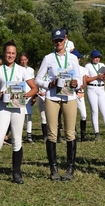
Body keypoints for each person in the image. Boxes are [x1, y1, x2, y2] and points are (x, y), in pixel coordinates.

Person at [0, 40, 38, 185]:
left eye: (13, 53)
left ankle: (16, 173)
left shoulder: (22, 70)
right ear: (4, 53)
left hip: (18, 109)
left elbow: (34, 88)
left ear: (16, 54)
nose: (10, 55)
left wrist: (26, 96)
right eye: (8, 53)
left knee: (17, 141)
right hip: (3, 109)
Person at [35, 28, 82, 181]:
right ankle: (53, 169)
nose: (58, 43)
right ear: (53, 42)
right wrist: (50, 83)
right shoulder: (48, 58)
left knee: (70, 133)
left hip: (70, 97)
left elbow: (80, 79)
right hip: (52, 98)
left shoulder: (73, 58)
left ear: (65, 40)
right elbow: (37, 79)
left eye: (61, 40)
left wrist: (76, 83)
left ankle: (70, 169)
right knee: (52, 134)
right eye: (56, 40)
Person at [85, 49, 105, 141]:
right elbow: (86, 80)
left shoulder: (102, 65)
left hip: (101, 88)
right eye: (95, 57)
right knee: (95, 112)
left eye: (98, 57)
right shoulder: (88, 66)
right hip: (91, 89)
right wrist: (97, 77)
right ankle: (97, 134)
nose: (97, 59)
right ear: (91, 58)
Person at [71, 49, 89, 142]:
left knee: (84, 115)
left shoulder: (83, 69)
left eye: (79, 58)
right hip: (70, 93)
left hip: (79, 93)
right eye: (76, 57)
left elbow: (85, 82)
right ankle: (73, 133)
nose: (78, 59)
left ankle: (83, 134)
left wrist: (81, 86)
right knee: (72, 114)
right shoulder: (68, 69)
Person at [19, 52, 36, 143]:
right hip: (20, 95)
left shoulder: (31, 70)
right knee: (20, 115)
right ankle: (19, 135)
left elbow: (33, 83)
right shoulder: (17, 69)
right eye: (22, 60)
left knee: (28, 115)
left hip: (29, 94)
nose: (23, 62)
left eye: (25, 60)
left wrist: (33, 96)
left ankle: (29, 135)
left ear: (27, 60)